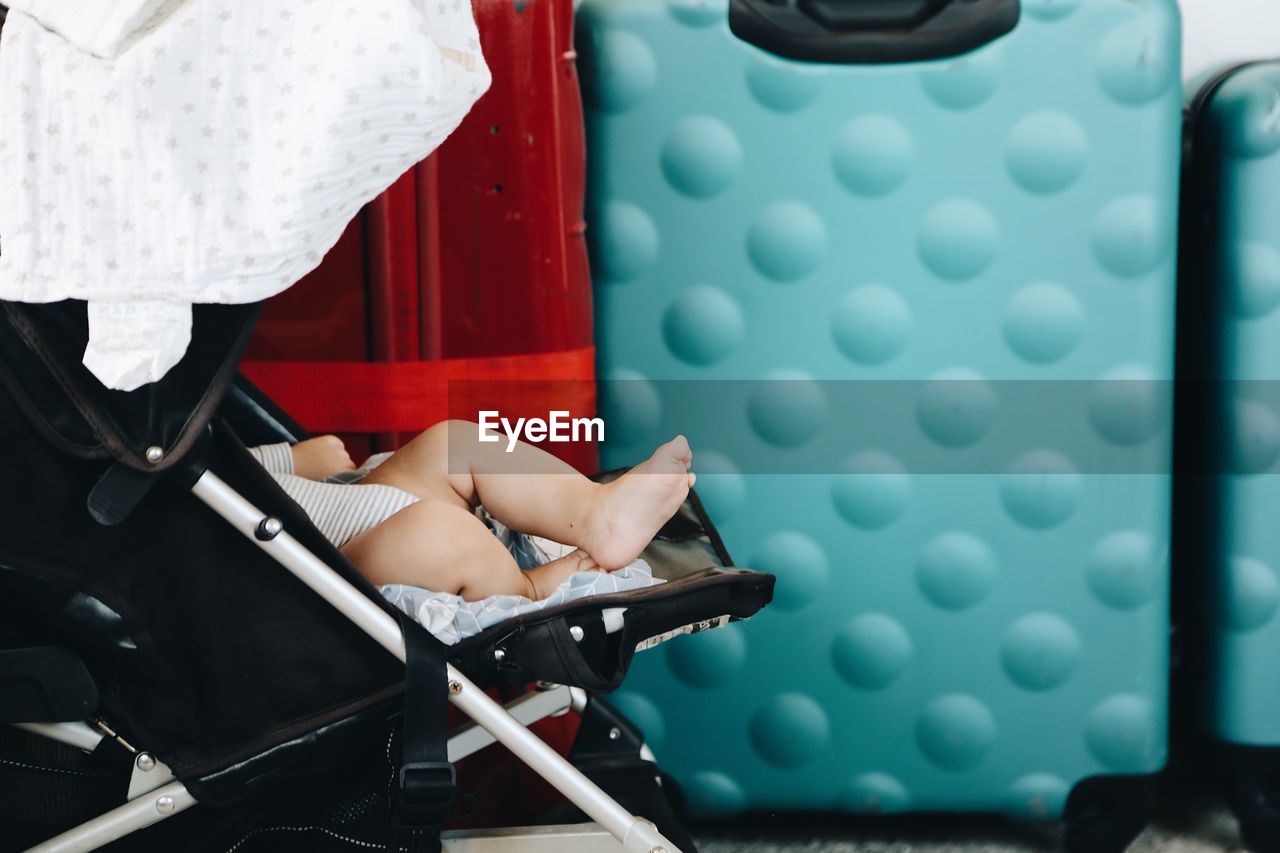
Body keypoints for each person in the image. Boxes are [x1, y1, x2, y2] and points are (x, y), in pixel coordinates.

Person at [251, 421, 694, 602]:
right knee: (440, 534)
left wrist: (284, 460)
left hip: (341, 500)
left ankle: (595, 512)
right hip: (330, 569)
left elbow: (200, 448)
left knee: (453, 442)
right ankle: (526, 590)